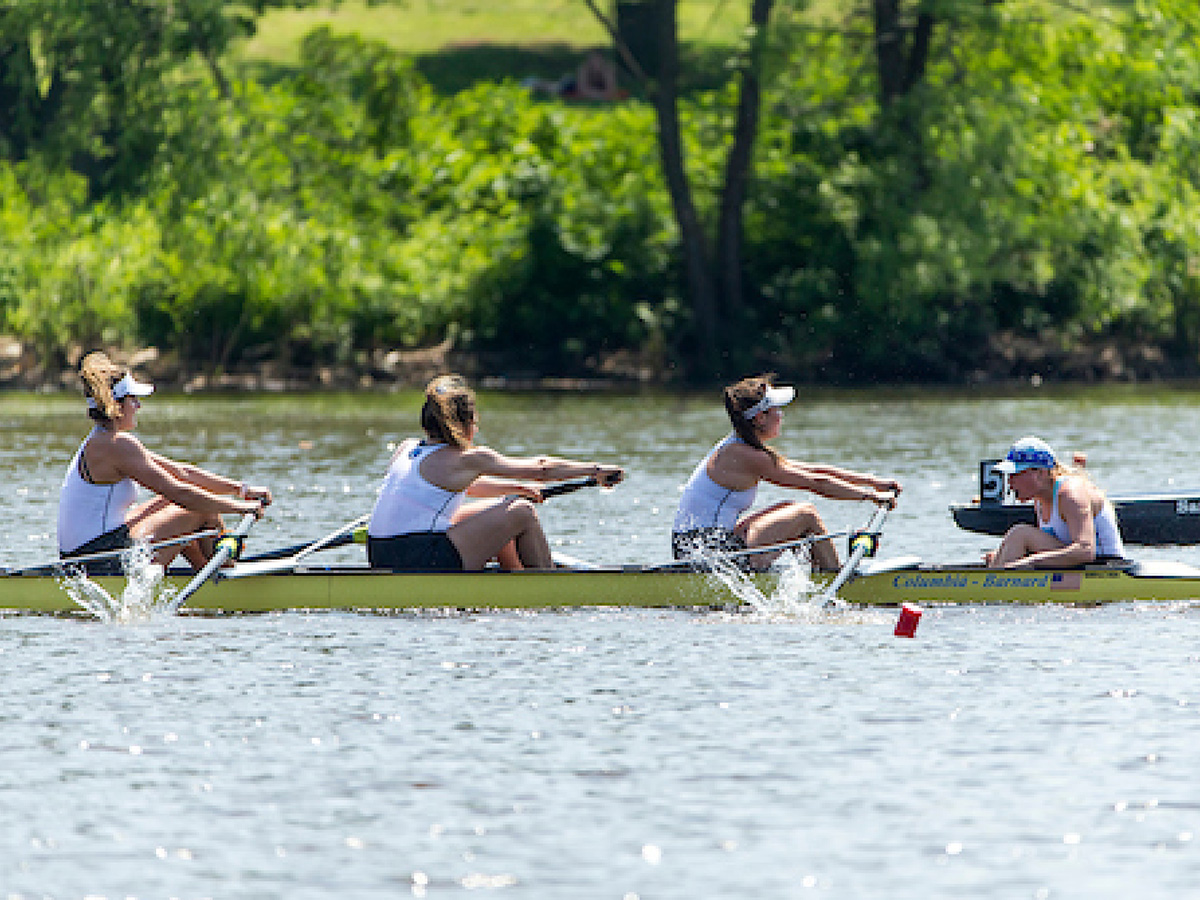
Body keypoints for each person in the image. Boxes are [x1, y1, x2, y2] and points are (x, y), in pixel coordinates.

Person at [367, 374, 624, 571]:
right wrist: (596, 470)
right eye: (474, 422)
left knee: (502, 507)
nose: (476, 430)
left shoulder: (407, 449)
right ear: (462, 425)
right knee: (522, 512)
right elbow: (542, 469)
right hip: (420, 559)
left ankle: (514, 576)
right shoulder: (470, 459)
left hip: (380, 555)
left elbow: (460, 487)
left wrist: (512, 489)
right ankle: (548, 586)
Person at [57, 351, 272, 573]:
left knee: (177, 502)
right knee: (199, 510)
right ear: (118, 406)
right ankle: (224, 575)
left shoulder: (102, 440)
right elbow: (181, 493)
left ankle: (208, 571)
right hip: (96, 562)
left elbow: (181, 473)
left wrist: (241, 490)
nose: (138, 406)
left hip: (90, 552)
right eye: (134, 400)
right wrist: (242, 508)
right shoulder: (116, 444)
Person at [671, 374, 901, 571]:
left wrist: (873, 483)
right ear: (760, 418)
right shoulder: (745, 456)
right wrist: (872, 497)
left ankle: (819, 576)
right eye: (776, 410)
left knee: (790, 509)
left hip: (701, 544)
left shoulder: (740, 447)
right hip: (706, 553)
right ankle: (838, 584)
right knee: (806, 514)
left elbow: (813, 471)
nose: (781, 415)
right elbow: (816, 483)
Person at [984, 435, 1125, 569]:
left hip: (1106, 567)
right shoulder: (1039, 500)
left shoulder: (1071, 494)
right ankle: (994, 580)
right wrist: (1004, 553)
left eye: (1016, 474)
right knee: (1016, 538)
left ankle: (994, 585)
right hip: (1078, 567)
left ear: (1041, 473)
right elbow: (1056, 549)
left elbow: (1085, 551)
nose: (1009, 482)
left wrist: (1028, 562)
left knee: (1020, 534)